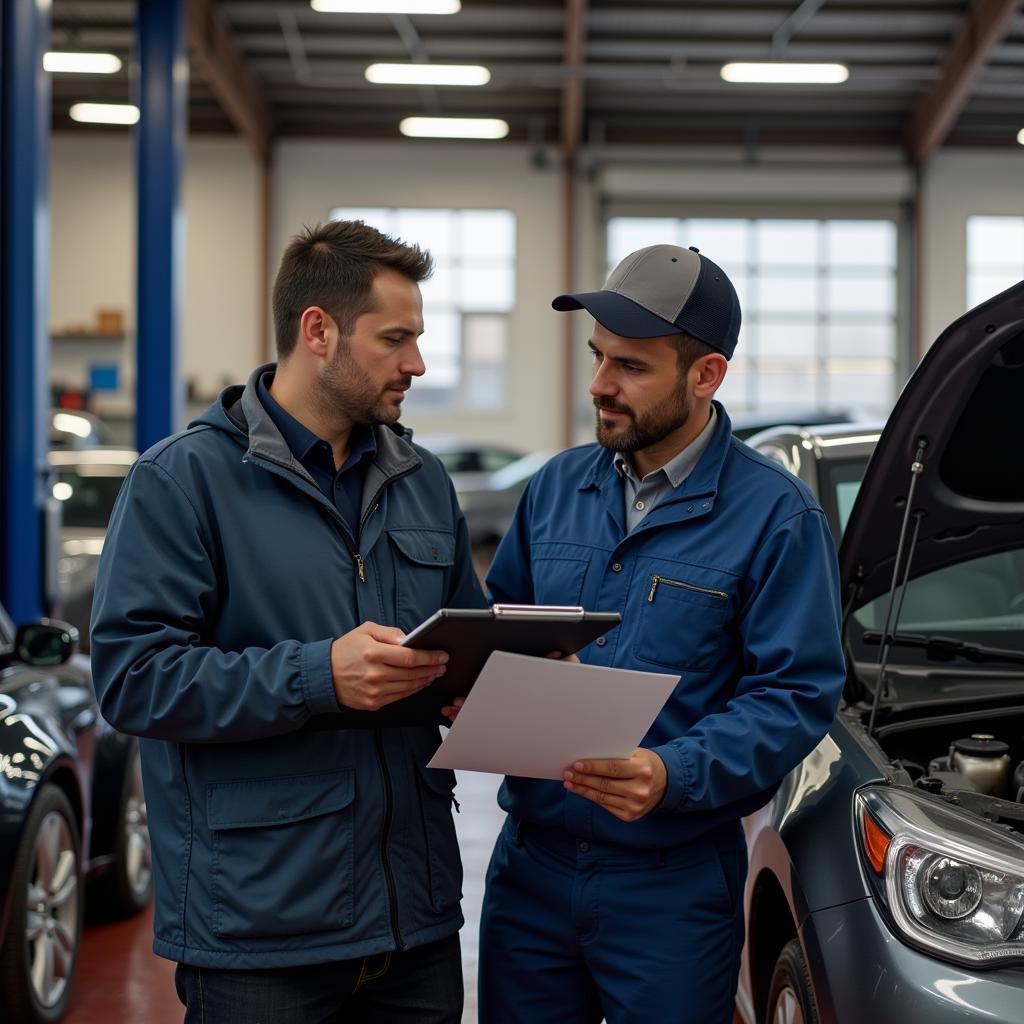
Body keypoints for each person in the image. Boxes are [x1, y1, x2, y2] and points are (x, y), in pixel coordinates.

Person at [90, 220, 485, 1024]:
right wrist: (318, 676)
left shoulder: (422, 481)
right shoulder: (182, 483)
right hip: (261, 938)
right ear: (318, 331)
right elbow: (134, 681)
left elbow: (463, 638)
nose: (417, 364)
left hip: (416, 928)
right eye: (396, 339)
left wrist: (499, 685)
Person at [477, 243, 847, 1023]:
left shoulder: (776, 518)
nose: (599, 386)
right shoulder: (554, 489)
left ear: (705, 374)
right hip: (532, 869)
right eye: (597, 356)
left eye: (631, 368)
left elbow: (794, 693)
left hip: (670, 882)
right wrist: (469, 687)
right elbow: (503, 625)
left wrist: (672, 771)